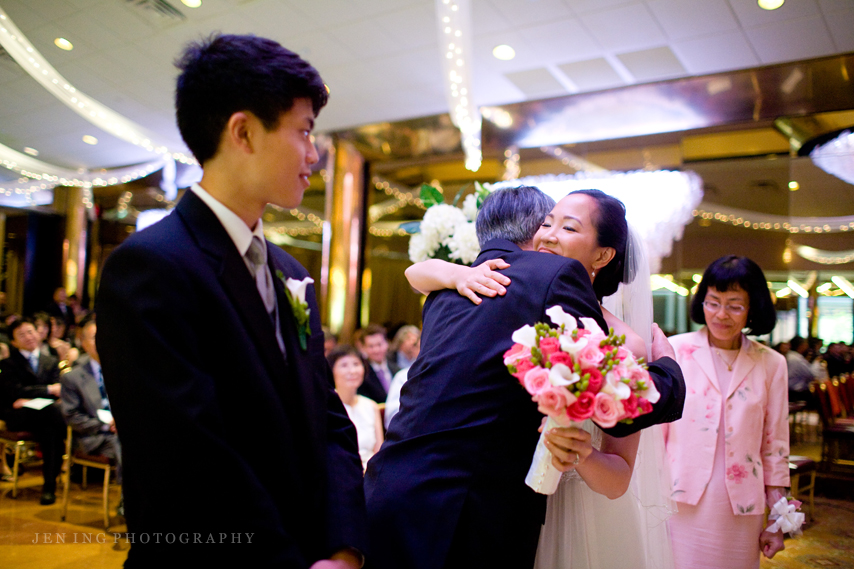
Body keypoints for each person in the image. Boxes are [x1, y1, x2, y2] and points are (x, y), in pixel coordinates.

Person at [95, 34, 366, 568]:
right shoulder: (150, 265)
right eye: (304, 131)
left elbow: (329, 420)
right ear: (242, 131)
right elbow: (184, 456)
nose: (314, 155)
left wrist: (342, 547)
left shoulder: (292, 274)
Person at [364, 186, 685, 569]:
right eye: (547, 223)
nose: (548, 234)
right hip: (476, 509)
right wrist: (669, 371)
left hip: (403, 488)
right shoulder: (537, 280)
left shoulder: (454, 291)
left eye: (567, 227)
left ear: (603, 253)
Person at [664, 255, 789, 569]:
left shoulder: (772, 364)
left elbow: (775, 446)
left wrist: (777, 518)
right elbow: (655, 435)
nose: (721, 315)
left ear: (752, 308)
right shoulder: (674, 351)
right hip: (678, 498)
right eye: (713, 302)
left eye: (734, 305)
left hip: (740, 505)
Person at [0, 318, 65, 505]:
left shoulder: (51, 361)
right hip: (19, 416)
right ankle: (50, 485)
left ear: (37, 333)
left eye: (30, 332)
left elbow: (58, 389)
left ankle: (49, 488)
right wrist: (48, 390)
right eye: (22, 335)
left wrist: (35, 394)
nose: (28, 337)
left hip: (46, 415)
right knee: (55, 416)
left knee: (51, 431)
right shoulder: (8, 364)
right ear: (13, 342)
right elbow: (15, 392)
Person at [328, 346, 383, 470]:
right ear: (331, 371)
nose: (352, 371)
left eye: (356, 364)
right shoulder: (328, 407)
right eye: (344, 365)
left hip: (371, 476)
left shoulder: (371, 406)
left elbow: (379, 453)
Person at [354, 324, 399, 403]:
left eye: (379, 344)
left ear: (387, 344)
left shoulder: (397, 370)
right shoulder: (362, 374)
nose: (376, 350)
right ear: (363, 348)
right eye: (371, 346)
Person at [786, 336, 815, 403]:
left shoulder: (789, 356)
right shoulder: (797, 359)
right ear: (801, 346)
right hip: (795, 392)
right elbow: (810, 374)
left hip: (789, 390)